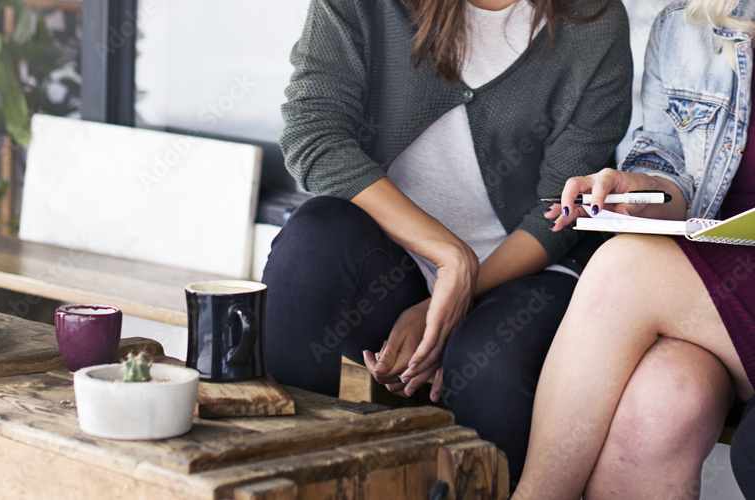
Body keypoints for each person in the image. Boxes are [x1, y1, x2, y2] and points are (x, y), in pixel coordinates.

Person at [261, 0, 632, 482]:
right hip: (390, 273)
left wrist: (458, 292)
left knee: (490, 362)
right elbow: (314, 137)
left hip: (526, 275)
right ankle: (276, 477)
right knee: (312, 238)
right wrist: (450, 256)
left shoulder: (592, 18)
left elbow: (562, 209)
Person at [514, 0, 755, 497]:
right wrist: (634, 190)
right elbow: (678, 176)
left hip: (718, 282)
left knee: (624, 268)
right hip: (721, 270)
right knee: (664, 399)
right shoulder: (687, 22)